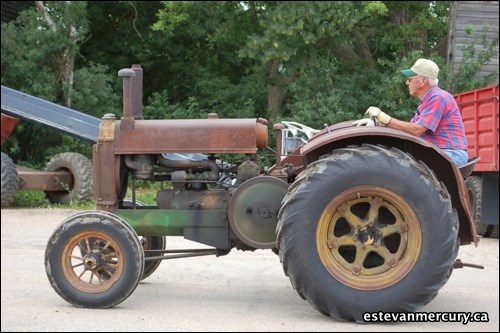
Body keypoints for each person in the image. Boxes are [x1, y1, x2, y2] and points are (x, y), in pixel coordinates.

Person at [356, 58, 469, 167]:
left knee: (401, 166)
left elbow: (416, 130)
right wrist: (379, 124)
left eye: (410, 79)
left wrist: (385, 118)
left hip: (452, 154)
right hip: (442, 152)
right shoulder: (427, 101)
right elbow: (409, 130)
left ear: (423, 80)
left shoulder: (438, 98)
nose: (406, 82)